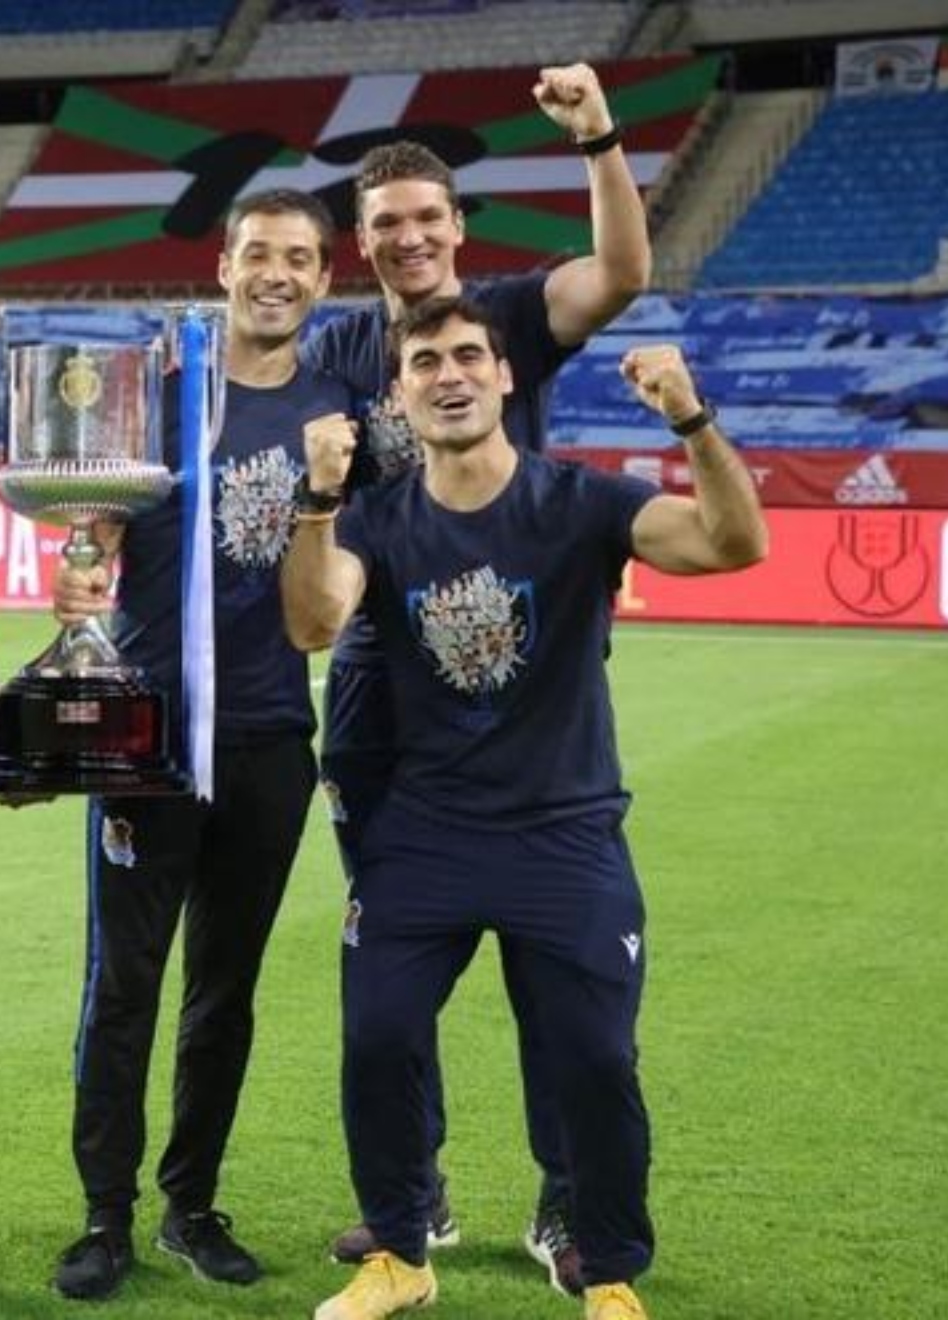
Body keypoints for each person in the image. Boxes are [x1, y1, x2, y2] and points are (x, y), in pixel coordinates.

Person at [284, 297, 767, 1320]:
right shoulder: (374, 517)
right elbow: (315, 618)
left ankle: (608, 1268)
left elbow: (733, 542)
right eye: (426, 362)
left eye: (469, 356)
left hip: (565, 830)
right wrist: (318, 501)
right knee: (378, 1036)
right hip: (425, 834)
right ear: (402, 394)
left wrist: (692, 420)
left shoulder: (581, 504)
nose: (449, 374)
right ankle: (402, 1254)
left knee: (594, 1055)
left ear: (506, 379)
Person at [305, 63, 651, 1290]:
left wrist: (599, 136)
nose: (406, 239)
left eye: (425, 219)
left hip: (517, 661)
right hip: (374, 689)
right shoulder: (339, 347)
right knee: (394, 952)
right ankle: (418, 1199)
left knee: (550, 969)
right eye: (385, 223)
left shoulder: (506, 319)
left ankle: (567, 1201)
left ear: (459, 228)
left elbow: (619, 275)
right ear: (363, 241)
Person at [45, 189, 351, 1301]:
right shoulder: (155, 398)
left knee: (227, 987)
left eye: (300, 259)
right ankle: (104, 1216)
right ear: (223, 266)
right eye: (258, 253)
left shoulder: (336, 414)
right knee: (123, 984)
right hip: (146, 735)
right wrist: (76, 563)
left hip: (271, 734)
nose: (277, 273)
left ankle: (189, 1204)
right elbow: (90, 531)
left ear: (324, 280)